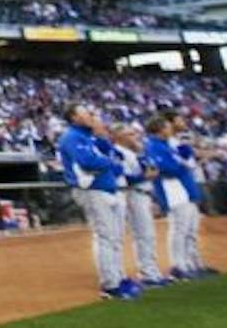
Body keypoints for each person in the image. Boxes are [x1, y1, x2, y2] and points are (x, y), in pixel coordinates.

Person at [58, 103, 135, 299]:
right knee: (105, 237)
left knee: (115, 237)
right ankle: (110, 284)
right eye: (85, 112)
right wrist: (110, 161)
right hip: (91, 190)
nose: (91, 115)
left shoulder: (88, 137)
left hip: (105, 189)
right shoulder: (72, 137)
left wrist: (106, 159)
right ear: (74, 117)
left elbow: (100, 161)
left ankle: (119, 276)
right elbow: (88, 162)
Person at [145, 114, 209, 281]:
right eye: (166, 126)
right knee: (179, 230)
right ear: (159, 130)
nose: (170, 129)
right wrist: (183, 163)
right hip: (172, 191)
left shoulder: (165, 145)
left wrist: (183, 161)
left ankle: (189, 264)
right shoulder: (154, 145)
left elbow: (179, 164)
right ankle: (178, 266)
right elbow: (168, 168)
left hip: (183, 189)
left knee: (188, 230)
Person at [113, 124, 168, 288]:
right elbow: (124, 178)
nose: (135, 136)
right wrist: (144, 176)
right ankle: (147, 274)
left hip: (142, 194)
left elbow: (149, 169)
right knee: (143, 235)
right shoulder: (118, 152)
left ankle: (151, 272)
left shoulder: (134, 152)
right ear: (119, 137)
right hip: (133, 194)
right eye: (130, 134)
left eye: (134, 133)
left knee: (147, 235)